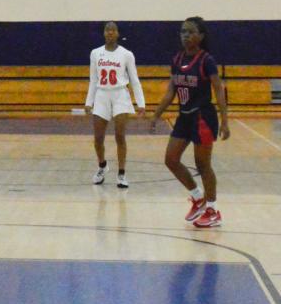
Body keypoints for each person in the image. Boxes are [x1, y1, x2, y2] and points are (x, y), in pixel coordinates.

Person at [151, 17, 229, 229]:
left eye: (190, 31)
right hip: (184, 117)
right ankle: (197, 197)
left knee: (203, 165)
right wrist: (157, 114)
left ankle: (213, 210)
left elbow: (219, 90)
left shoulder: (206, 60)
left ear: (201, 36)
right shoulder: (177, 59)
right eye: (183, 31)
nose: (185, 35)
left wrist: (225, 120)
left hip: (203, 116)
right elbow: (171, 91)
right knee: (171, 159)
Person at [84, 21, 145, 189]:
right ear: (104, 33)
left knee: (120, 135)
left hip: (120, 95)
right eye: (107, 30)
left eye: (113, 30)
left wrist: (141, 103)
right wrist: (89, 102)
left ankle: (122, 174)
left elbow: (134, 80)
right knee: (98, 138)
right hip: (102, 95)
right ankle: (102, 166)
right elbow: (93, 80)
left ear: (118, 33)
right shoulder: (95, 53)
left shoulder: (126, 54)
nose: (110, 32)